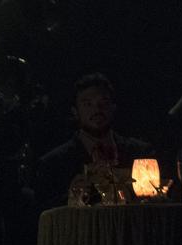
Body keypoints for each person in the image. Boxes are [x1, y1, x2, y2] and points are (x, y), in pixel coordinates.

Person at [35, 72, 154, 211]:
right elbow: (42, 216)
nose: (97, 110)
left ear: (113, 107)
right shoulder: (54, 163)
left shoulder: (141, 155)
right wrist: (71, 197)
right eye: (88, 104)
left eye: (103, 103)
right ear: (75, 111)